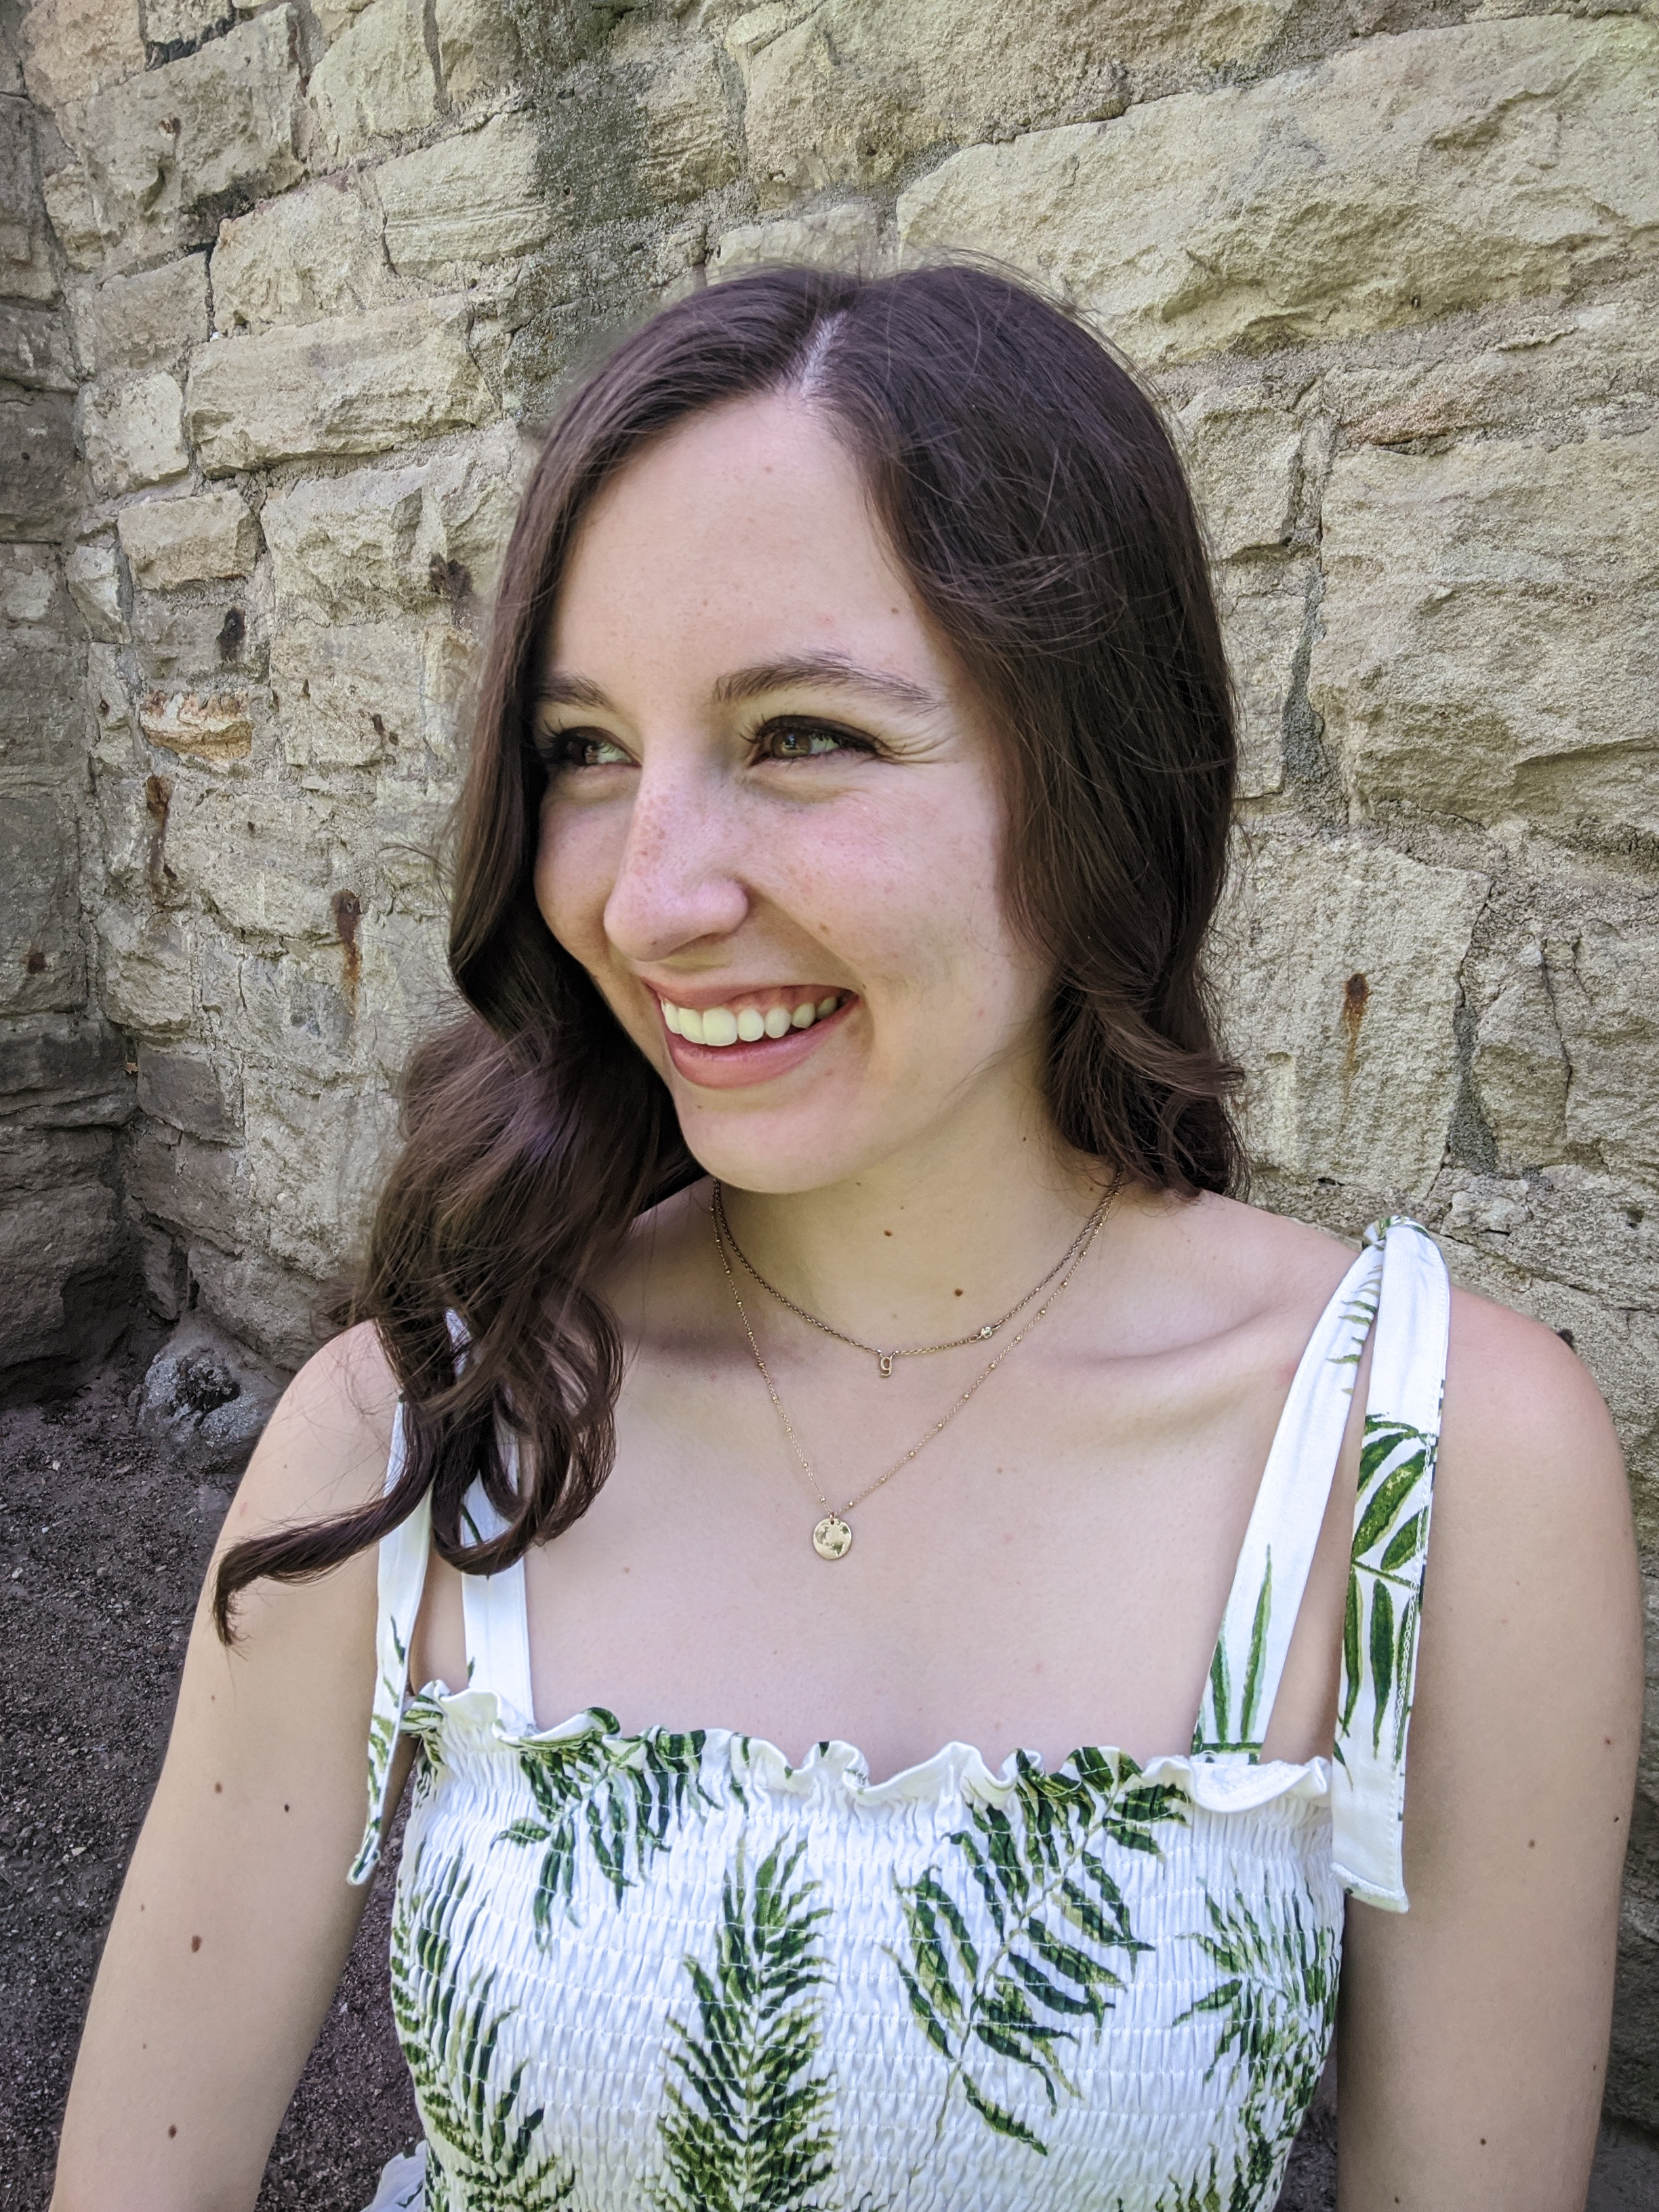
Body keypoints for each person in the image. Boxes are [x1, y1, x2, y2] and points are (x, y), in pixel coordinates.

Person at [53, 264, 1640, 2212]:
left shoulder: (1433, 1464)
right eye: (583, 751)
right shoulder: (422, 1431)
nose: (648, 898)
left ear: (1102, 784)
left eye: (802, 735)